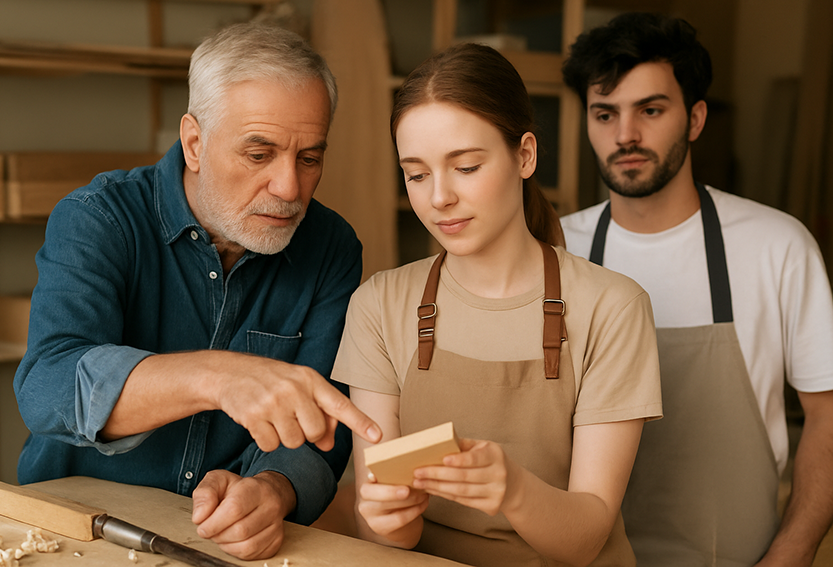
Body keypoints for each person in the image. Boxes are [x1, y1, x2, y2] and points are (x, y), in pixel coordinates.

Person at [13, 22, 381, 561]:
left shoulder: (331, 248)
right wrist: (216, 376)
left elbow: (322, 424)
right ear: (194, 142)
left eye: (309, 158)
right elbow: (47, 387)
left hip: (223, 549)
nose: (289, 188)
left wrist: (274, 490)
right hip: (74, 535)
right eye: (259, 155)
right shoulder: (99, 219)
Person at [331, 42, 662, 567]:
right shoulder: (378, 305)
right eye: (416, 174)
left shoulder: (613, 308)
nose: (439, 197)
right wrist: (385, 516)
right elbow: (383, 539)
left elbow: (586, 540)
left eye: (465, 166)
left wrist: (514, 491)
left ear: (524, 155)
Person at [561, 12, 833, 567]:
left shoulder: (778, 246)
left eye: (651, 110)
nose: (625, 135)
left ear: (695, 118)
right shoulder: (555, 251)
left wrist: (795, 549)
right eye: (605, 113)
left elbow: (828, 416)